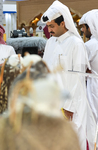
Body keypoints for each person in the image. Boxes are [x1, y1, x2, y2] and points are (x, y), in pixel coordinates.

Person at [41, 1, 92, 150]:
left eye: (52, 26)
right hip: (53, 102)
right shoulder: (50, 43)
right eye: (48, 26)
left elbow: (77, 78)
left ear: (63, 23)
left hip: (72, 104)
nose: (49, 30)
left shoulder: (76, 43)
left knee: (73, 140)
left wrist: (69, 107)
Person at [79, 10, 98, 127]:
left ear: (90, 27)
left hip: (94, 86)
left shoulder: (89, 46)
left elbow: (81, 68)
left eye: (83, 27)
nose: (82, 30)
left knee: (93, 118)